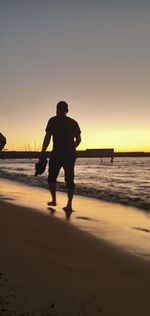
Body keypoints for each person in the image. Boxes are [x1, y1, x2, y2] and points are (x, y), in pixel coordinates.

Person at [41, 101, 81, 211]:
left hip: (57, 153)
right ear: (67, 110)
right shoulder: (73, 122)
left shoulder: (53, 120)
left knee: (52, 177)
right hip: (69, 154)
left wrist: (42, 151)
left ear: (57, 109)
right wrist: (71, 147)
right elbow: (78, 140)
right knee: (69, 179)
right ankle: (69, 205)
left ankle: (54, 200)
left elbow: (47, 138)